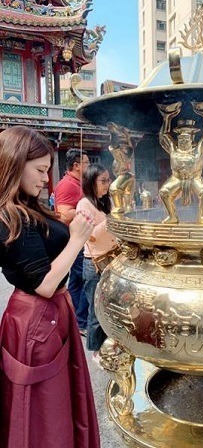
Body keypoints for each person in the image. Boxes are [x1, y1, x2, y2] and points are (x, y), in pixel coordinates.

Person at [0, 126, 100, 447]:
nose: (46, 179)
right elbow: (43, 283)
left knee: (56, 401)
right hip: (37, 317)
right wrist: (78, 239)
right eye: (40, 170)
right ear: (15, 164)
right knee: (44, 408)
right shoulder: (10, 216)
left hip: (49, 314)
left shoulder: (28, 206)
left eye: (47, 170)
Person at [77, 163, 118, 367]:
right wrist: (111, 219)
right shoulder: (84, 205)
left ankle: (110, 344)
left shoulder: (107, 201)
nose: (107, 184)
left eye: (108, 180)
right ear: (91, 182)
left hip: (112, 259)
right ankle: (95, 350)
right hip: (94, 263)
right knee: (96, 308)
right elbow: (90, 236)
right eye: (103, 181)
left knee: (110, 307)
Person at [54, 147, 90, 335]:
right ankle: (82, 321)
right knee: (86, 279)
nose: (89, 166)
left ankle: (77, 319)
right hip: (74, 240)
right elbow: (63, 214)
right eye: (86, 163)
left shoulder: (78, 183)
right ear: (76, 165)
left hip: (78, 239)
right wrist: (88, 209)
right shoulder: (68, 185)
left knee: (76, 281)